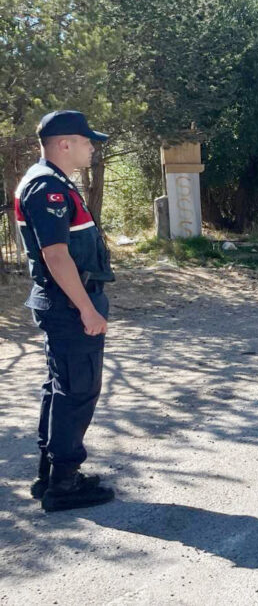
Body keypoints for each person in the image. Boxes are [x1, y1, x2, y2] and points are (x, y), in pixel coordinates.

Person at [14, 110, 116, 512]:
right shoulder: (47, 187)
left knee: (62, 387)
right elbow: (55, 256)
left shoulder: (52, 181)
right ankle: (64, 485)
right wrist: (87, 309)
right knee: (78, 390)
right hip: (69, 304)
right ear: (65, 143)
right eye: (87, 141)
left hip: (65, 302)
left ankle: (51, 475)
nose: (92, 148)